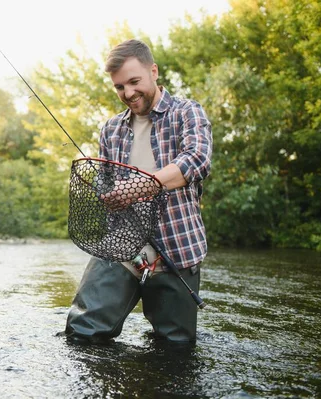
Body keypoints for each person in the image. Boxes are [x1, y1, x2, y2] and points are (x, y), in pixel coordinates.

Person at [65, 39, 212, 343]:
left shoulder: (187, 112)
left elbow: (196, 160)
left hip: (177, 247)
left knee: (176, 348)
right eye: (120, 87)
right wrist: (106, 193)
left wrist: (138, 188)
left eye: (134, 81)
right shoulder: (110, 129)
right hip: (120, 245)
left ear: (153, 72)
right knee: (81, 334)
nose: (128, 93)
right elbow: (106, 180)